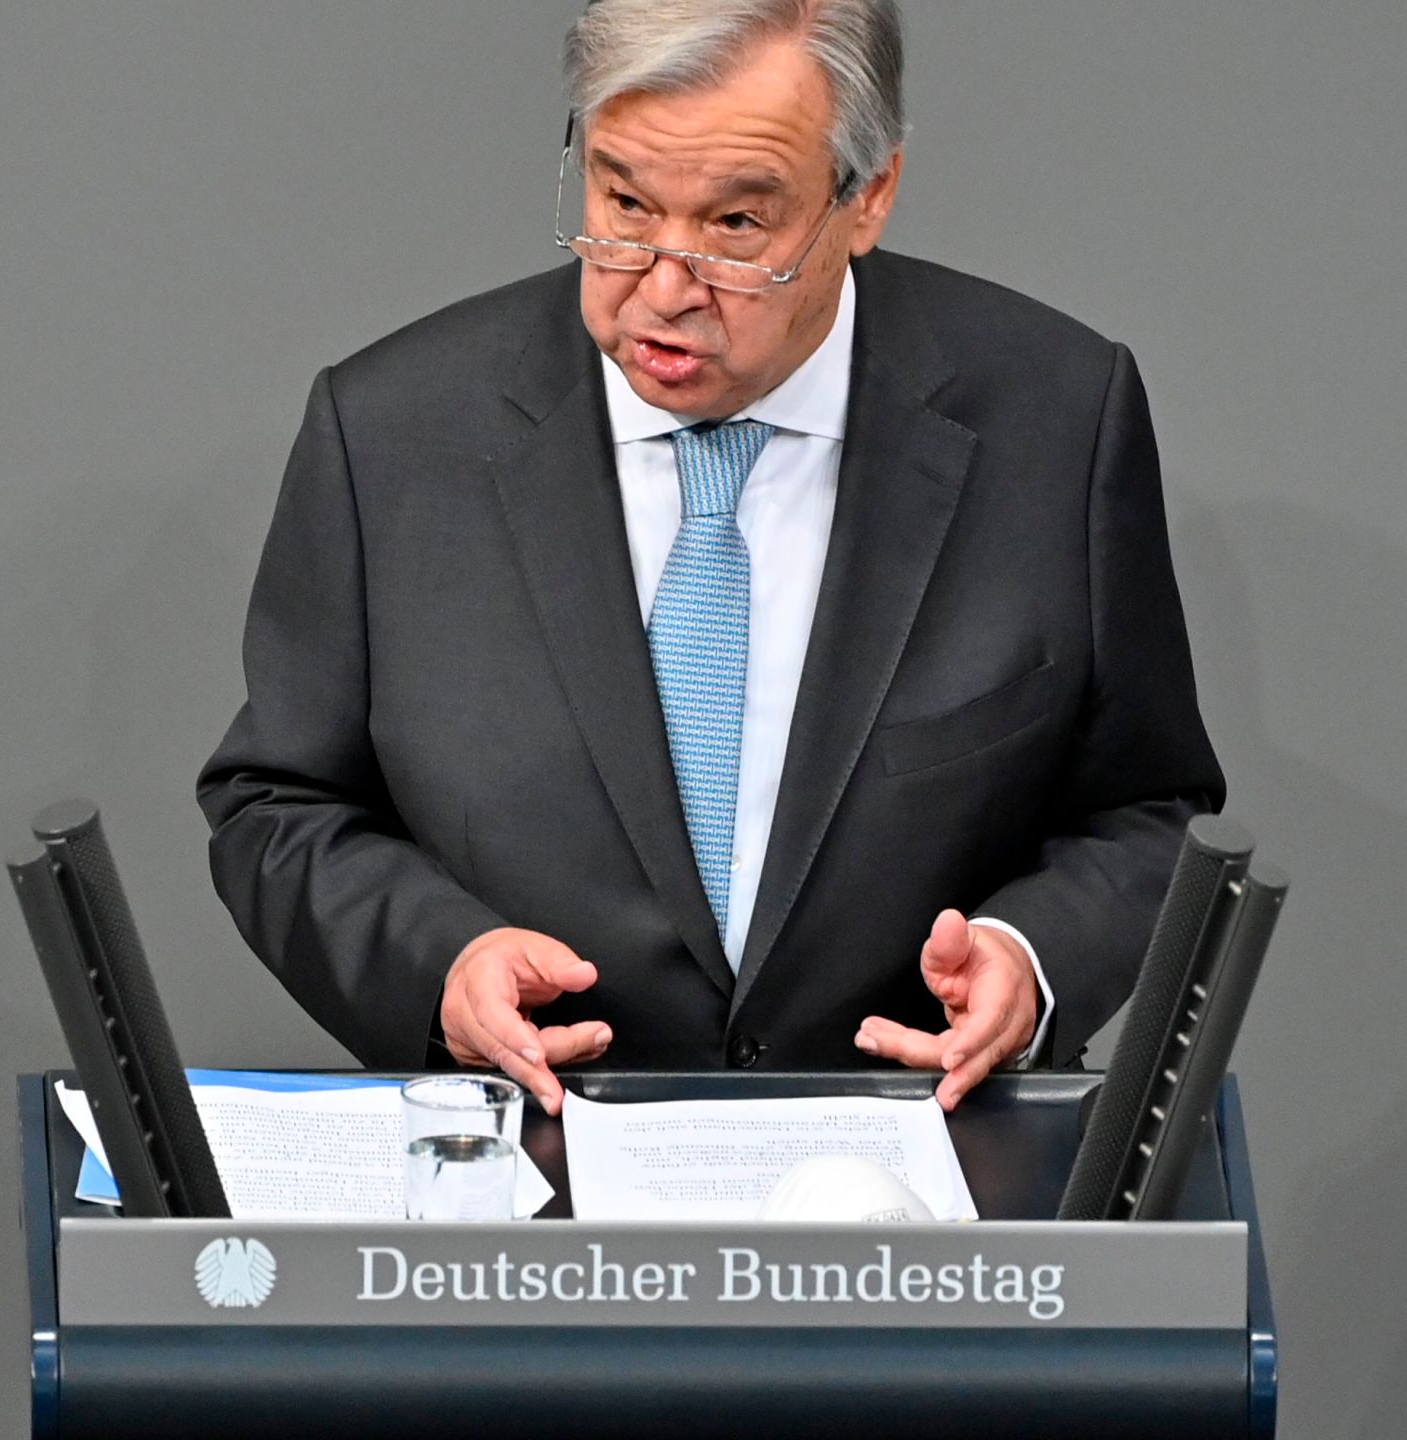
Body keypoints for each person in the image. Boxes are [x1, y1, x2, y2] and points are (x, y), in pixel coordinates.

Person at [199, 0, 1222, 1115]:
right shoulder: (392, 431)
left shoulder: (1057, 418)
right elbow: (278, 804)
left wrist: (1029, 960)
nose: (663, 286)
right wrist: (439, 967)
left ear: (866, 194)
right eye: (623, 202)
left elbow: (1148, 808)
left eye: (736, 225)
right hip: (525, 1203)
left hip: (908, 1204)